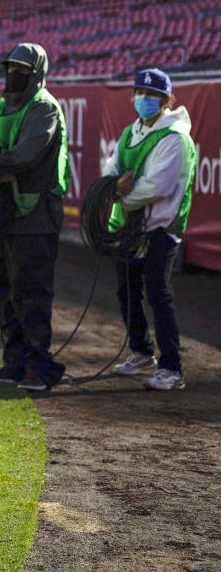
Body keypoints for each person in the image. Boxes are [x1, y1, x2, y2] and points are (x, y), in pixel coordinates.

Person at [0, 43, 69, 392]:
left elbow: (26, 155)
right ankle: (13, 363)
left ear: (36, 73)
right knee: (6, 291)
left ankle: (38, 366)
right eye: (10, 67)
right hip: (5, 211)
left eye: (21, 69)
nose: (13, 74)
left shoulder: (44, 108)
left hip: (37, 214)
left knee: (31, 291)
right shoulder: (0, 107)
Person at [104, 68, 195, 391]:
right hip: (131, 228)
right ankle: (142, 352)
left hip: (161, 227)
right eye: (140, 93)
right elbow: (110, 169)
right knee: (127, 291)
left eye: (153, 95)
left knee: (158, 294)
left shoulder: (176, 138)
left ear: (168, 100)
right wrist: (116, 185)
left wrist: (118, 193)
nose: (144, 99)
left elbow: (155, 187)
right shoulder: (131, 132)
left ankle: (172, 367)